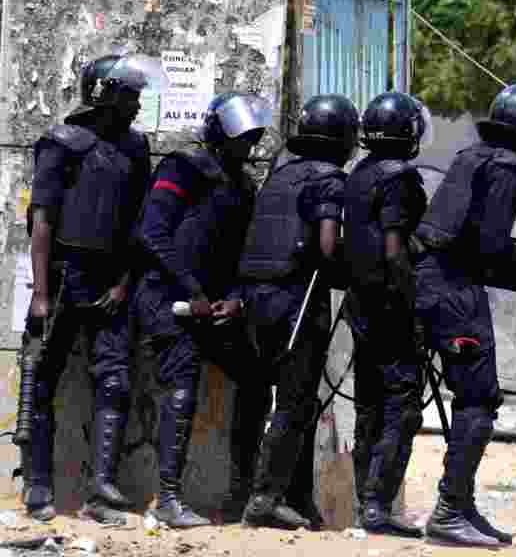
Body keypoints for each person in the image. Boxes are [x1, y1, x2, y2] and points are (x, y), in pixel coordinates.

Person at [18, 54, 164, 524]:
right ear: (104, 94)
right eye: (131, 94)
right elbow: (41, 221)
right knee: (40, 379)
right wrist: (41, 292)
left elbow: (139, 225)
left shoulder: (135, 149)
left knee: (115, 381)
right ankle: (38, 487)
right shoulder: (61, 143)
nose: (138, 103)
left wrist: (123, 283)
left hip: (111, 278)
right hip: (62, 274)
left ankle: (101, 489)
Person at [410, 83, 516, 547]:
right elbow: (489, 245)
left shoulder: (472, 156)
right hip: (455, 287)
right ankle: (450, 511)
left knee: (470, 393)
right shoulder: (509, 168)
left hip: (428, 278)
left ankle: (462, 507)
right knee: (479, 397)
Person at [135, 92, 272, 528]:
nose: (248, 147)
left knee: (255, 380)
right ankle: (169, 499)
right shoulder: (183, 167)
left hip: (213, 307)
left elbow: (240, 253)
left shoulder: (242, 184)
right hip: (168, 299)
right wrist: (191, 289)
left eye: (252, 139)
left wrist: (235, 299)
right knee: (181, 384)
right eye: (241, 138)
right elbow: (153, 233)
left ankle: (242, 492)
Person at [235, 94, 358, 530]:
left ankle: (292, 496)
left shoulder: (279, 177)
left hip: (255, 301)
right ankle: (265, 499)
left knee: (273, 401)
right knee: (294, 402)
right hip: (298, 302)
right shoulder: (331, 180)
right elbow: (327, 248)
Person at [343, 91, 430, 537]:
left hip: (360, 307)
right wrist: (415, 305)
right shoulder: (400, 178)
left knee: (369, 407)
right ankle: (377, 508)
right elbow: (395, 250)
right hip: (389, 309)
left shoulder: (359, 173)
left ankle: (367, 506)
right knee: (402, 408)